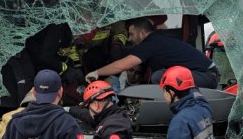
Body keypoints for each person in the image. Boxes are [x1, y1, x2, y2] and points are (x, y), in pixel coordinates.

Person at [86, 17, 219, 89]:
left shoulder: (150, 43)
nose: (129, 39)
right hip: (205, 74)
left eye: (131, 34)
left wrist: (97, 72)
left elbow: (121, 65)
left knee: (159, 76)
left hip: (206, 76)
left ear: (142, 33)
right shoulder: (158, 39)